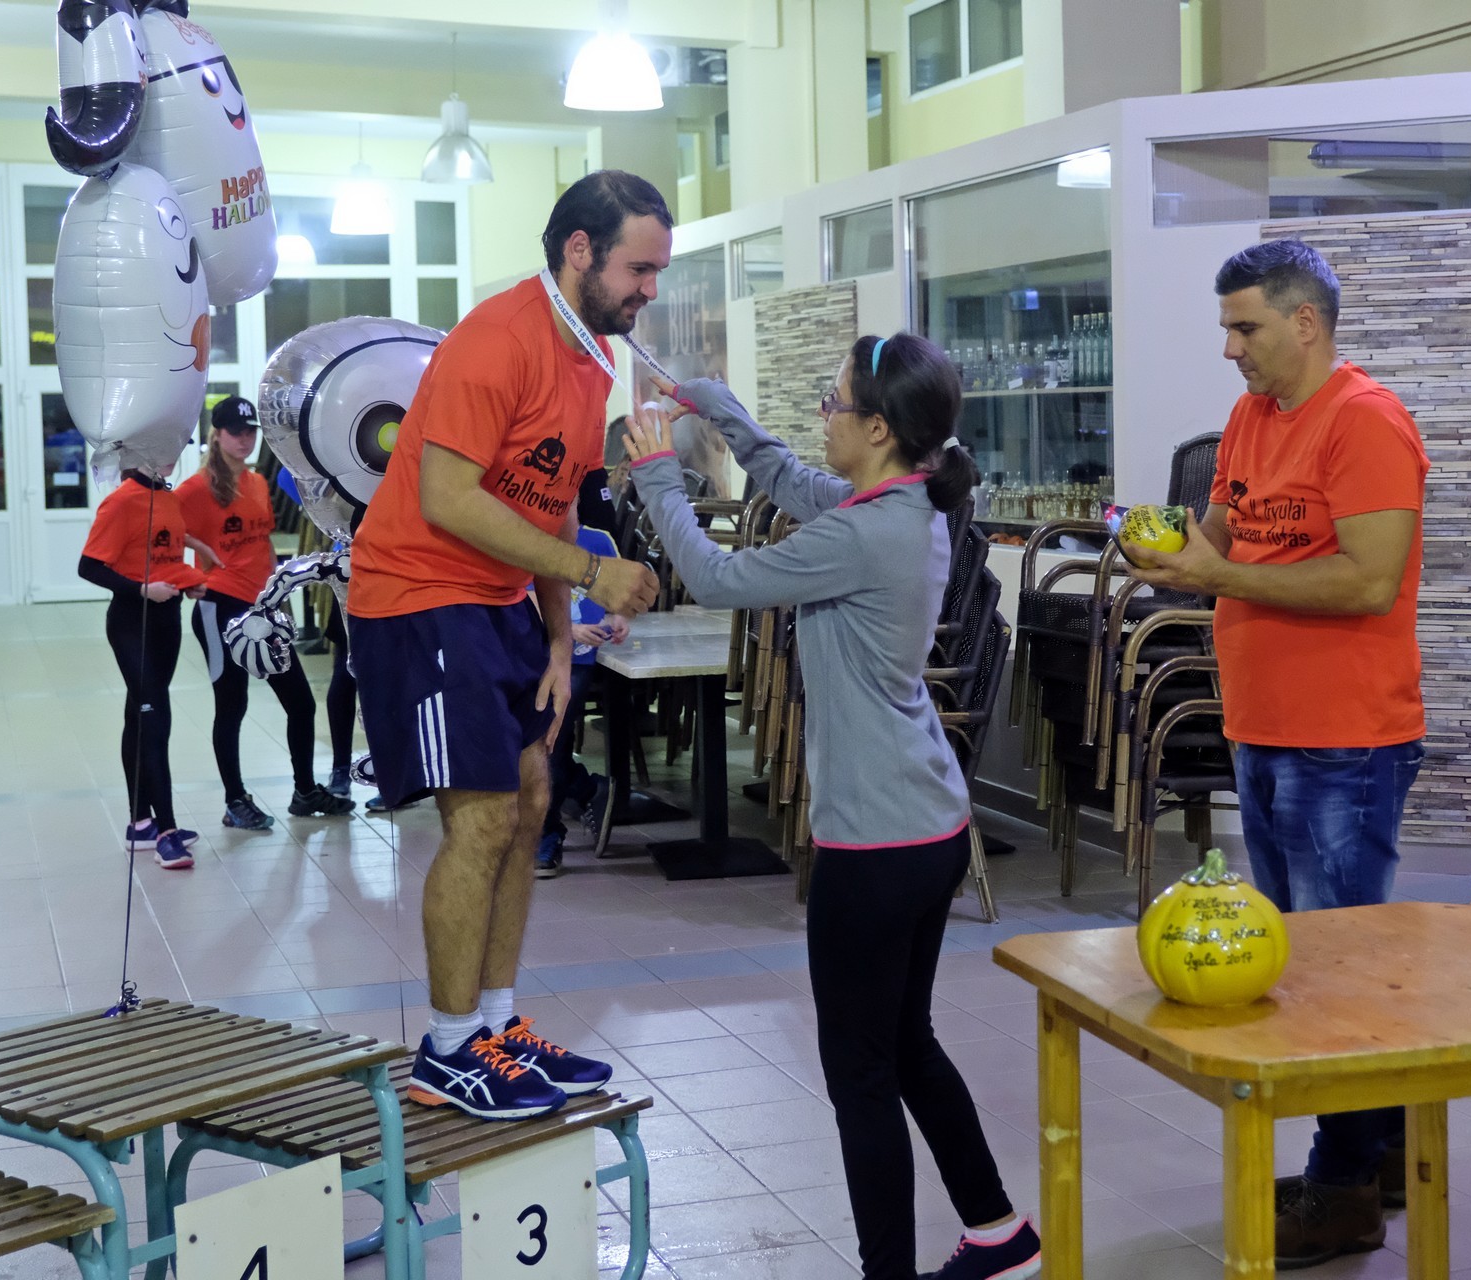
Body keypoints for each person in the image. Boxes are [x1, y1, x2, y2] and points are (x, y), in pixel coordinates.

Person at [623, 334, 1041, 1280]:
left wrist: (656, 477)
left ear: (879, 428)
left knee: (861, 1074)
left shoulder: (865, 533)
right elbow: (788, 477)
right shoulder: (905, 502)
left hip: (877, 845)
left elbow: (717, 580)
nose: (824, 415)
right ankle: (997, 1232)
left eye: (834, 402)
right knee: (905, 1043)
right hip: (928, 824)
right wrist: (721, 408)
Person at [1125, 238, 1429, 1269]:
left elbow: (1368, 581)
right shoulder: (1253, 417)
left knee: (1339, 969)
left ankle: (1344, 1190)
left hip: (1346, 738)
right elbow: (1218, 544)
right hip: (1262, 723)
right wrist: (1167, 554)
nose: (1230, 348)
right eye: (1226, 328)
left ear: (1307, 322)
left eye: (1245, 327)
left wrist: (1219, 575)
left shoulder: (1367, 421)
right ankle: (1380, 1151)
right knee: (1313, 953)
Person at [346, 170, 666, 1120]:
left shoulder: (592, 359)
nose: (649, 290)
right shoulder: (498, 338)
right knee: (482, 818)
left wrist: (561, 641)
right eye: (639, 269)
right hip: (418, 596)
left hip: (499, 603)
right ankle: (447, 1052)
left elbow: (552, 499)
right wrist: (592, 571)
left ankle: (494, 1025)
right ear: (580, 251)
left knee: (531, 804)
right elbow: (447, 498)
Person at [178, 395, 353, 830]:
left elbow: (263, 544)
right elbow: (159, 535)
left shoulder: (257, 483)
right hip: (220, 608)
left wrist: (280, 594)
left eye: (250, 432)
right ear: (216, 436)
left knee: (300, 703)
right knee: (231, 705)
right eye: (235, 433)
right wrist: (191, 570)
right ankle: (235, 801)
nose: (245, 440)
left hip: (263, 610)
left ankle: (304, 791)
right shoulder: (195, 490)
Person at [79, 467, 210, 870]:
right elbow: (89, 566)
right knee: (155, 718)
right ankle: (167, 831)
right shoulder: (121, 501)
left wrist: (188, 582)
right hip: (131, 622)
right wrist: (141, 590)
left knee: (140, 715)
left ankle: (140, 823)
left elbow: (164, 558)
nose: (169, 456)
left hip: (167, 620)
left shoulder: (168, 497)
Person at [537, 522, 625, 879]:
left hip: (579, 661)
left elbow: (620, 594)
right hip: (531, 654)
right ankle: (589, 788)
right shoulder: (525, 535)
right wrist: (569, 629)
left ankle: (547, 834)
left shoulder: (598, 540)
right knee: (534, 745)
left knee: (549, 743)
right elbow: (521, 598)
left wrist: (619, 617)